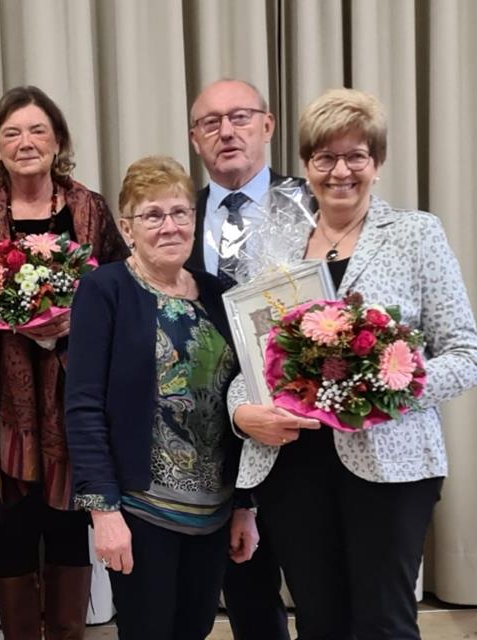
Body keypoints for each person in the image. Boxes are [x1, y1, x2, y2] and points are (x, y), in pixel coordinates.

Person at [229, 88, 477, 639]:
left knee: (382, 624)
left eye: (356, 156)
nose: (340, 170)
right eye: (324, 157)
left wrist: (380, 387)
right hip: (292, 465)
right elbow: (246, 362)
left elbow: (467, 356)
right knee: (319, 623)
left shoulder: (416, 234)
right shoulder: (275, 244)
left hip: (389, 467)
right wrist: (240, 414)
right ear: (305, 165)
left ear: (378, 162)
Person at [0, 85, 128, 639]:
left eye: (37, 131)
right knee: (14, 533)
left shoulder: (89, 208)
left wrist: (80, 320)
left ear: (58, 141)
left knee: (72, 531)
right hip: (4, 406)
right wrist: (1, 317)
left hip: (75, 402)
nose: (26, 142)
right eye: (12, 133)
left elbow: (125, 289)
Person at [65, 155, 259, 640]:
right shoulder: (103, 290)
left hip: (213, 513)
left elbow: (243, 400)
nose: (169, 226)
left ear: (195, 222)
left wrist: (245, 505)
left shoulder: (219, 295)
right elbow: (83, 405)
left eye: (179, 213)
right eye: (152, 215)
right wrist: (103, 512)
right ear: (127, 228)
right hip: (140, 510)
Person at [185, 78, 294, 640]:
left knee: (321, 587)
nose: (226, 131)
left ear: (268, 126)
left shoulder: (310, 202)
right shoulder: (179, 217)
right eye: (210, 122)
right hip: (211, 430)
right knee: (244, 590)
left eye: (241, 117)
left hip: (298, 428)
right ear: (195, 139)